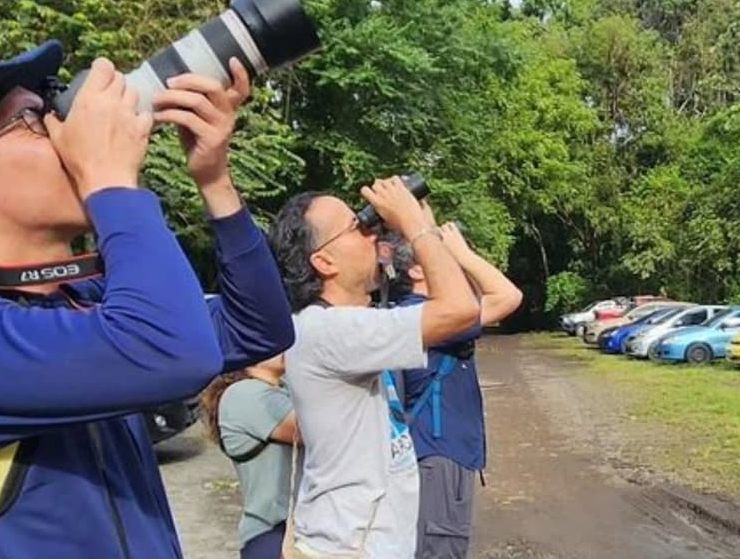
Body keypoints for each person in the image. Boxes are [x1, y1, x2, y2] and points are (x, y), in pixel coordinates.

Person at [0, 41, 294, 558]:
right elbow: (174, 351)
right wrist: (109, 179)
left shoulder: (81, 302)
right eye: (33, 117)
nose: (60, 128)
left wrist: (213, 180)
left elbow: (259, 329)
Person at [268, 179, 480, 559]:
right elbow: (460, 309)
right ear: (324, 261)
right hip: (347, 546)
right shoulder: (328, 331)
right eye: (357, 227)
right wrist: (415, 225)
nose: (371, 234)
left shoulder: (347, 323)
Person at [390, 222, 522, 559]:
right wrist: (462, 254)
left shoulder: (425, 314)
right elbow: (508, 296)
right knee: (440, 548)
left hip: (442, 453)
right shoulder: (426, 317)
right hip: (438, 456)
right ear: (418, 269)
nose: (454, 270)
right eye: (441, 260)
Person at [201, 354, 301, 559]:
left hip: (292, 533)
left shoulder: (282, 390)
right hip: (274, 535)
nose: (287, 349)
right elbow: (316, 430)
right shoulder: (244, 395)